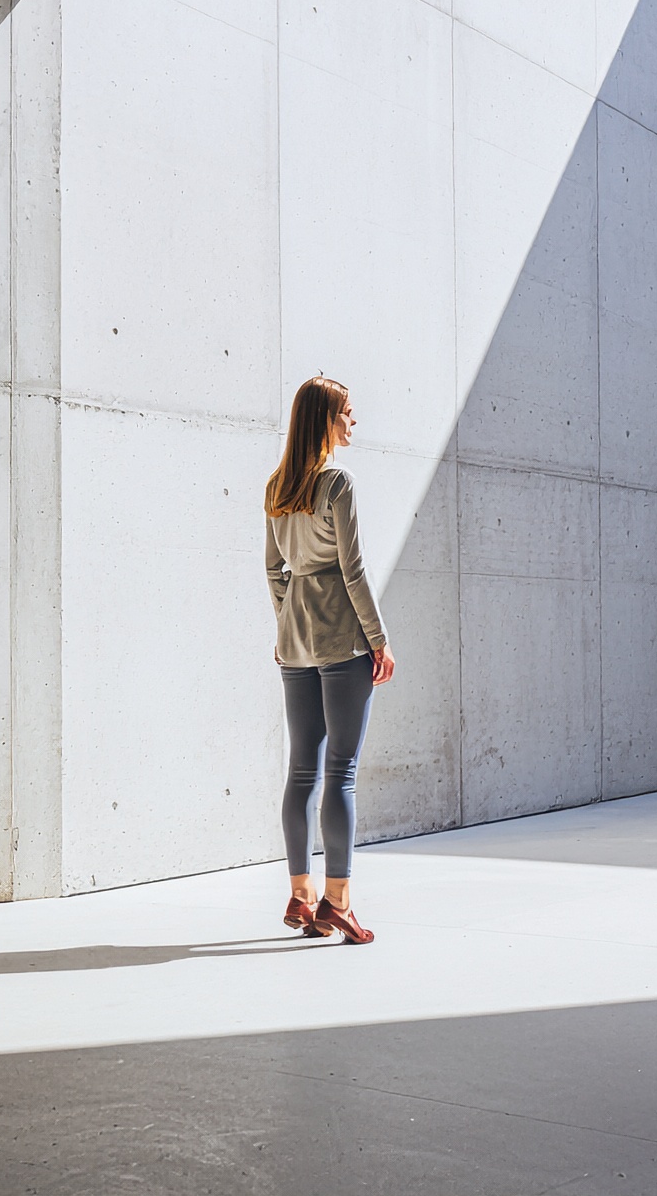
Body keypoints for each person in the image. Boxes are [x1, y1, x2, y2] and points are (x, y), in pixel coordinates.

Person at [264, 375, 396, 945]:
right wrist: (379, 639)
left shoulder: (277, 485)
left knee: (301, 770)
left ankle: (301, 894)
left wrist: (289, 620)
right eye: (347, 412)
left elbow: (276, 570)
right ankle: (338, 902)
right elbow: (353, 569)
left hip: (295, 641)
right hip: (342, 639)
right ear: (326, 419)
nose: (354, 421)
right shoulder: (336, 482)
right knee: (340, 770)